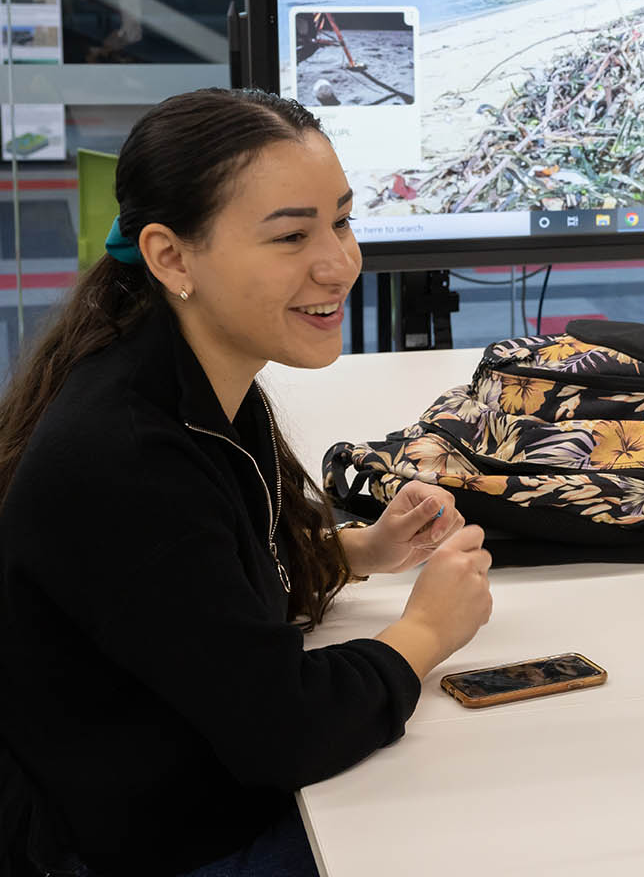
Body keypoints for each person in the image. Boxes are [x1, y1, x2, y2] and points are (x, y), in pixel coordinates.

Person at [0, 89, 495, 877]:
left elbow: (200, 593)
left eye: (341, 221)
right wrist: (427, 631)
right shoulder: (129, 458)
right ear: (171, 258)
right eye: (292, 235)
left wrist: (356, 552)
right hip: (163, 849)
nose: (338, 262)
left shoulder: (195, 377)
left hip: (187, 799)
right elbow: (285, 731)